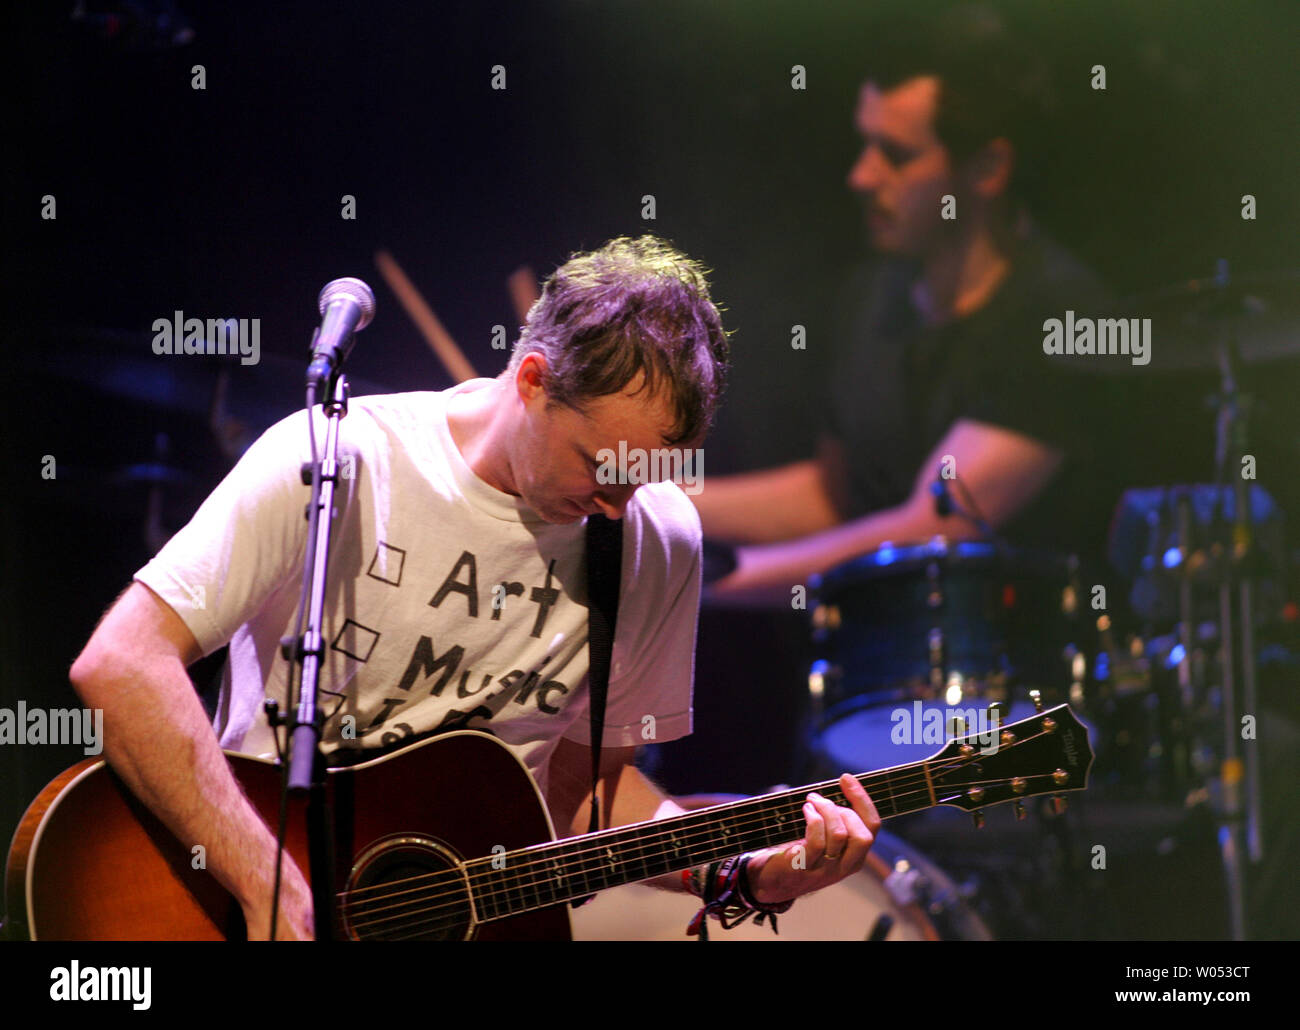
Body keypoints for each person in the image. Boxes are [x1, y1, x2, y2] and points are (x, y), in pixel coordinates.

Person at [68, 235, 881, 940]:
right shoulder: (339, 461)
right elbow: (122, 664)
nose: (618, 503)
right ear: (531, 380)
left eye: (649, 478)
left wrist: (740, 869)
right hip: (247, 898)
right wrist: (262, 878)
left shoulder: (655, 538)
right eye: (602, 468)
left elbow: (590, 799)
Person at [697, 18, 1115, 601]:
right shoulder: (872, 298)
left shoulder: (1060, 316)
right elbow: (833, 497)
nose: (861, 175)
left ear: (989, 169)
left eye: (896, 155)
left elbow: (933, 527)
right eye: (864, 145)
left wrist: (695, 585)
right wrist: (645, 498)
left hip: (1025, 679)